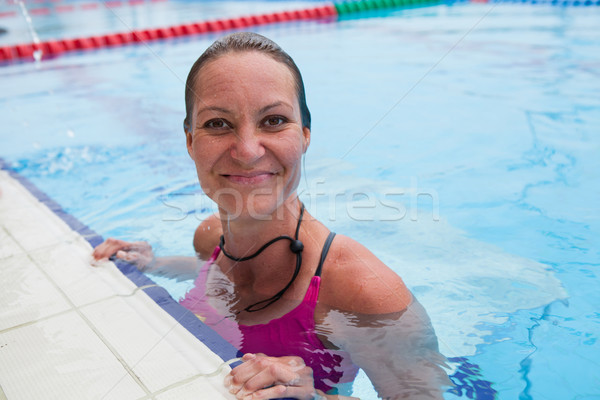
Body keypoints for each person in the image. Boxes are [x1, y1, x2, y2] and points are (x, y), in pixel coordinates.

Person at [93, 32, 450, 399]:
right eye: (218, 123)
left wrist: (314, 398)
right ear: (189, 140)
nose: (247, 151)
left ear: (306, 135)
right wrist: (155, 264)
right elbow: (216, 272)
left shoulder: (364, 291)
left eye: (274, 120)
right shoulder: (209, 238)